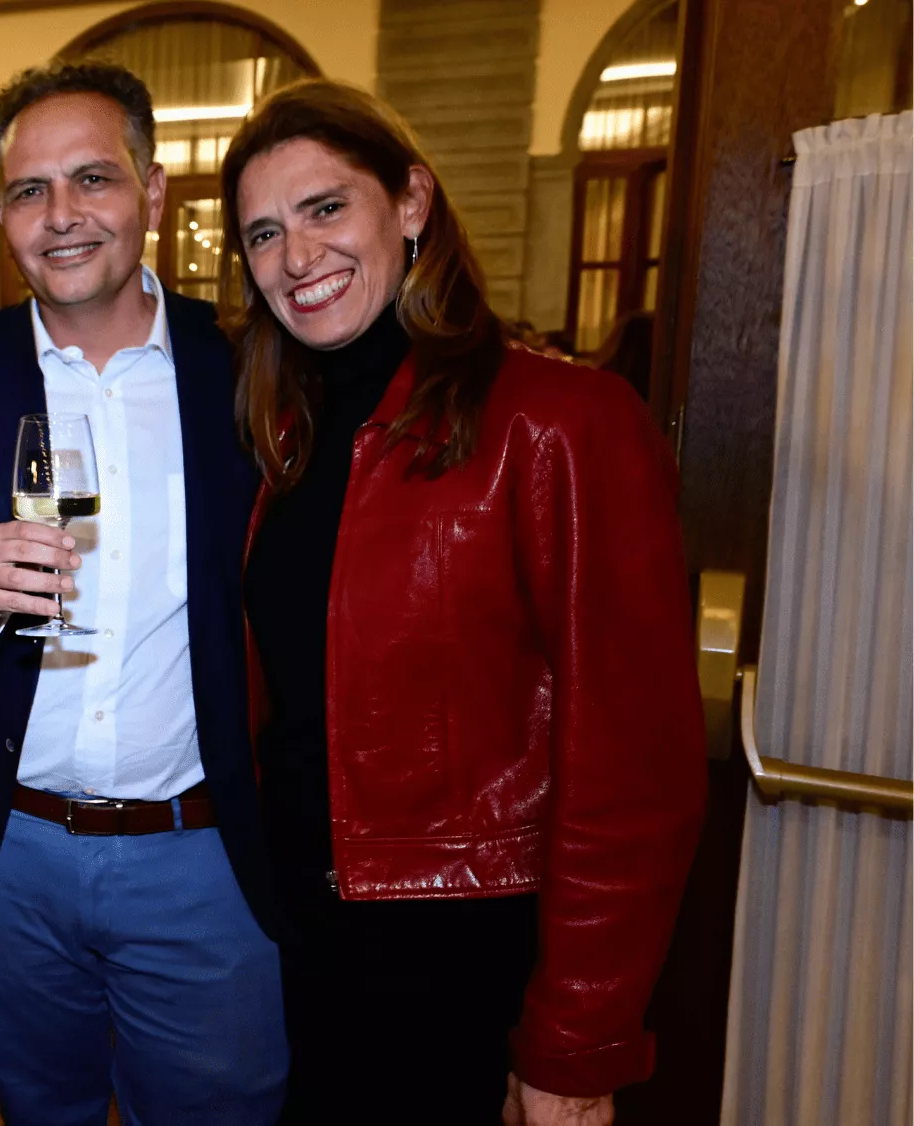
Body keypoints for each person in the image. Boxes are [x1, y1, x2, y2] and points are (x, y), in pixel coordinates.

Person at [221, 80, 704, 1126]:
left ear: (411, 202)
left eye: (325, 208)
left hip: (469, 956)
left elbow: (635, 775)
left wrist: (577, 1041)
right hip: (310, 943)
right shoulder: (285, 443)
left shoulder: (559, 423)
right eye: (263, 233)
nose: (297, 257)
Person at [0, 62, 284, 1125]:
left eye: (92, 180)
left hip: (203, 855)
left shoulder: (246, 363)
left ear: (153, 191)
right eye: (28, 191)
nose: (60, 217)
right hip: (13, 860)